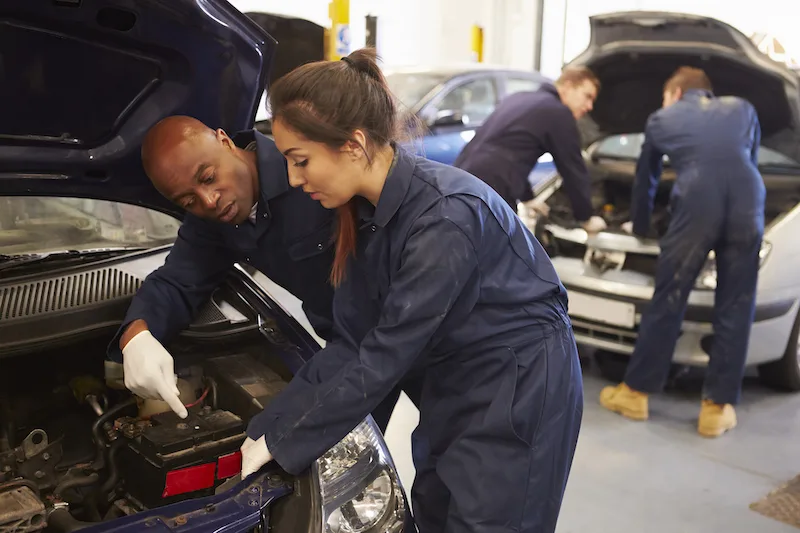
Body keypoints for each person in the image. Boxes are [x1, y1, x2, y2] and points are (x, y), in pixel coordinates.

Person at [238, 47, 584, 533]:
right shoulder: (365, 214)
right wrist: (269, 430)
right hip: (452, 378)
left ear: (354, 145)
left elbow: (384, 355)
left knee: (492, 521)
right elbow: (353, 340)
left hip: (517, 381)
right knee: (437, 513)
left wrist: (290, 443)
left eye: (301, 160)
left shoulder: (445, 218)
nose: (294, 179)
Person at [109, 115, 410, 432]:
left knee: (449, 459)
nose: (208, 201)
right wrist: (137, 337)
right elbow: (177, 281)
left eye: (209, 178)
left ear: (225, 142)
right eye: (188, 200)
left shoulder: (304, 165)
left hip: (419, 324)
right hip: (351, 349)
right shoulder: (212, 221)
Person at [600, 67, 765, 438]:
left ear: (675, 93)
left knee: (669, 298)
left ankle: (636, 394)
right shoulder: (742, 108)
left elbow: (647, 179)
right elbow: (747, 160)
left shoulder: (663, 117)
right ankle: (716, 410)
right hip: (749, 200)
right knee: (737, 303)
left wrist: (642, 228)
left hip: (696, 202)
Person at [454, 66, 607, 234]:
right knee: (499, 251)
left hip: (461, 176)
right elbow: (572, 169)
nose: (590, 106)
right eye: (587, 96)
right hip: (492, 188)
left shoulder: (520, 98)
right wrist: (586, 217)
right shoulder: (559, 113)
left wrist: (528, 198)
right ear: (568, 86)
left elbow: (511, 152)